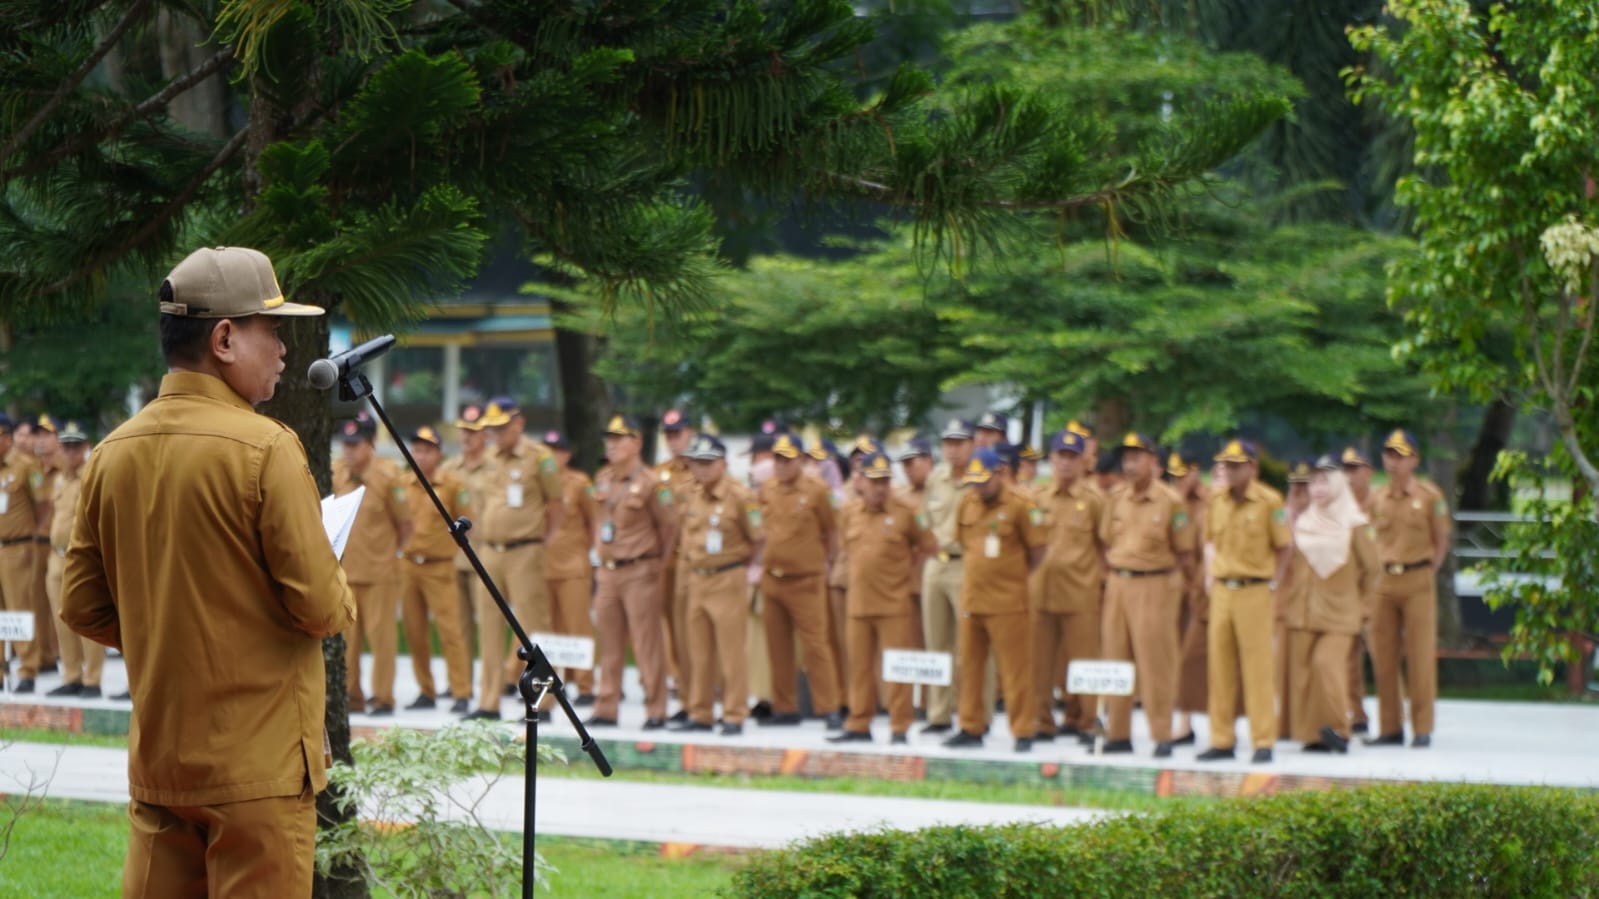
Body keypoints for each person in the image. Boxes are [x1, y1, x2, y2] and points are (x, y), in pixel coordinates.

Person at [62, 245, 356, 897]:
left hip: (163, 761)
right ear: (224, 337)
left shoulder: (111, 452)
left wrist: (169, 634)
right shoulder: (266, 448)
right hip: (260, 767)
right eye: (271, 329)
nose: (283, 347)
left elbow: (81, 605)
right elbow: (321, 607)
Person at [943, 447, 1046, 752]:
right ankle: (971, 726)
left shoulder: (1021, 506)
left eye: (984, 480)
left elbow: (1038, 551)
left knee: (1015, 671)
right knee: (970, 667)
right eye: (974, 480)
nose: (979, 486)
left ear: (1000, 474)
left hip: (1008, 601)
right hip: (973, 599)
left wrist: (1012, 577)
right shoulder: (967, 502)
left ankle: (1023, 730)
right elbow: (964, 544)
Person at [1099, 433, 1196, 758]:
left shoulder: (1171, 501)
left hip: (1155, 584)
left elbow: (1184, 552)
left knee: (1156, 662)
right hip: (1118, 582)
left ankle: (1161, 734)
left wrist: (1162, 579)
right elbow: (1104, 542)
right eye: (1127, 458)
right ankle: (1117, 733)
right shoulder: (1115, 498)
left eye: (1137, 457)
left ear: (1154, 461)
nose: (1130, 464)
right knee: (1116, 658)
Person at [828, 451, 935, 745]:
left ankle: (900, 725)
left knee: (897, 667)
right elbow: (846, 547)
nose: (879, 487)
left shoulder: (907, 511)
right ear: (861, 481)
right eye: (874, 481)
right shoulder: (849, 512)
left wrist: (907, 580)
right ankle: (859, 722)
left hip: (894, 603)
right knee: (859, 667)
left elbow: (927, 547)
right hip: (858, 602)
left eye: (885, 481)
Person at [469, 396, 565, 720]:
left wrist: (545, 540)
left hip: (525, 550)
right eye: (492, 429)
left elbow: (555, 504)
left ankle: (544, 700)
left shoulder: (540, 458)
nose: (495, 434)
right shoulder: (489, 458)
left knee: (534, 627)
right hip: (490, 551)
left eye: (501, 428)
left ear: (519, 424)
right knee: (490, 627)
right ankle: (488, 702)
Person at [1198, 438, 1291, 765]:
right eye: (1226, 465)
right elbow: (1209, 539)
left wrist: (1273, 581)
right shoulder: (1216, 500)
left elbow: (1284, 547)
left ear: (1252, 467)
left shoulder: (1269, 501)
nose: (1230, 471)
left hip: (1254, 589)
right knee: (1219, 668)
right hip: (1222, 588)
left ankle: (1263, 740)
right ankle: (1221, 738)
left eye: (1237, 465)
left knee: (1258, 669)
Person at [587, 414, 675, 729]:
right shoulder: (602, 478)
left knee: (646, 643)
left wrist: (655, 566)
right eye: (608, 438)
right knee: (608, 643)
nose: (610, 444)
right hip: (608, 572)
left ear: (636, 443)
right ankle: (606, 706)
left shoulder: (653, 483)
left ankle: (656, 709)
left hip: (640, 570)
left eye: (618, 438)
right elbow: (599, 520)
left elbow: (668, 529)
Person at [1285, 456, 1378, 754]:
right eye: (1314, 481)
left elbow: (1374, 569)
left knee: (1327, 665)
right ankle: (1315, 735)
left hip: (1341, 613)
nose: (1318, 488)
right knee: (1305, 675)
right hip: (1305, 611)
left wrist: (1364, 606)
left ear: (1338, 483)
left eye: (1325, 480)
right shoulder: (1306, 521)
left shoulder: (1355, 522)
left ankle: (1341, 728)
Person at [671, 435, 762, 735]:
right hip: (697, 578)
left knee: (731, 652)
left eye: (709, 463)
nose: (702, 470)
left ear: (723, 463)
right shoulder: (691, 494)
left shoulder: (740, 496)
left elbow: (758, 538)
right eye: (697, 463)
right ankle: (701, 712)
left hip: (727, 577)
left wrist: (751, 570)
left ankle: (734, 713)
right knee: (698, 652)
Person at [1367, 429, 1450, 748]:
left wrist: (1430, 568)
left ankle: (1422, 727)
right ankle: (1390, 727)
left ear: (1414, 460)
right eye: (1389, 455)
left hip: (1417, 580)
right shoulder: (1376, 497)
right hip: (1383, 581)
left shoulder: (1430, 496)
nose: (1393, 462)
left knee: (1420, 656)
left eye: (1400, 456)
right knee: (1383, 657)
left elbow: (1441, 539)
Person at [756, 433, 843, 729]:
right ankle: (785, 707)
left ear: (801, 461)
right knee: (777, 646)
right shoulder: (767, 489)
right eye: (777, 459)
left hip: (806, 580)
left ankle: (829, 707)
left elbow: (832, 530)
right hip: (773, 578)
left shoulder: (818, 490)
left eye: (787, 460)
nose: (781, 465)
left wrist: (830, 563)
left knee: (816, 646)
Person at [332, 412, 413, 716]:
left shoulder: (389, 477)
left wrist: (392, 555)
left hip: (380, 573)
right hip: (346, 573)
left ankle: (383, 698)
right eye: (346, 444)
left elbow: (405, 525)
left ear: (371, 444)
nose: (349, 451)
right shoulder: (336, 473)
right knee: (347, 643)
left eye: (356, 445)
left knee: (382, 641)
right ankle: (352, 698)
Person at [1032, 429, 1107, 743]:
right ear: (1051, 459)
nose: (1065, 463)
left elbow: (1104, 547)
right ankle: (1041, 721)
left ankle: (1085, 720)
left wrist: (1100, 586)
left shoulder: (1093, 501)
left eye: (1072, 457)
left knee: (1084, 662)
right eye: (1060, 456)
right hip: (1041, 592)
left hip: (1080, 593)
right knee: (1039, 662)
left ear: (1082, 462)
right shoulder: (1036, 498)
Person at [397, 426, 473, 713]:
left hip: (439, 567)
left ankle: (461, 691)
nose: (421, 455)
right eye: (417, 449)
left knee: (450, 632)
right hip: (408, 565)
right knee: (415, 632)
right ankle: (425, 690)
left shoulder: (453, 486)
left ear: (439, 454)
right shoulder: (403, 484)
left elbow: (467, 523)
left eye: (427, 450)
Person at [920, 418, 976, 735]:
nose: (952, 449)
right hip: (936, 563)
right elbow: (924, 517)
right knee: (936, 643)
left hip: (966, 563)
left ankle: (970, 714)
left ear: (971, 445)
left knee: (968, 646)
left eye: (959, 442)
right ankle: (938, 714)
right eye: (948, 443)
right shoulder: (935, 479)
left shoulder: (980, 478)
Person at [45, 423, 104, 697]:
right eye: (65, 447)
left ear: (85, 447)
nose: (69, 453)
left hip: (80, 556)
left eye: (75, 447)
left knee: (85, 616)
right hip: (56, 556)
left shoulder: (91, 474)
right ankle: (71, 675)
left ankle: (92, 679)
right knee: (61, 620)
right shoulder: (59, 479)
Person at [542, 430, 600, 705]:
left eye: (557, 450)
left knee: (578, 626)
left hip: (572, 565)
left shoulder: (579, 483)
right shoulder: (538, 482)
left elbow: (594, 520)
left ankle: (586, 685)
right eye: (547, 450)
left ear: (567, 454)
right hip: (542, 566)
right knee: (545, 630)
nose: (552, 456)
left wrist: (590, 552)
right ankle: (549, 684)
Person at [0, 412, 50, 693]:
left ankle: (27, 668)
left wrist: (32, 535)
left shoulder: (27, 466)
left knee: (20, 608)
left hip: (17, 548)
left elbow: (43, 506)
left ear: (6, 437)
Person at [438, 403, 491, 656]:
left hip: (485, 555)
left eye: (473, 431)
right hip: (455, 557)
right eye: (464, 431)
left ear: (485, 435)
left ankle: (500, 680)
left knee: (490, 623)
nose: (467, 437)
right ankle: (463, 684)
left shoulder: (495, 467)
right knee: (459, 624)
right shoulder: (449, 469)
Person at [656, 408, 696, 718]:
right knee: (671, 629)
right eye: (668, 435)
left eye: (678, 434)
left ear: (691, 433)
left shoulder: (704, 468)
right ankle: (683, 692)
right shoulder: (659, 473)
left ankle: (702, 695)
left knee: (694, 632)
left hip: (696, 562)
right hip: (668, 562)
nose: (673, 440)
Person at [1170, 451, 1210, 745]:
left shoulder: (1209, 502)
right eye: (1175, 475)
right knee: (1177, 655)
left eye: (1185, 474)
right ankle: (1183, 720)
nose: (1180, 480)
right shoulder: (1168, 501)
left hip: (1201, 590)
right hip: (1172, 588)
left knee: (1195, 655)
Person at [1277, 458, 1315, 741]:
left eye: (1306, 487)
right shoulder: (1283, 517)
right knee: (1282, 669)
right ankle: (1284, 726)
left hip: (1314, 605)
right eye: (1296, 488)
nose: (1300, 494)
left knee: (1309, 669)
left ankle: (1308, 726)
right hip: (1284, 602)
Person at [1340, 444, 1376, 734]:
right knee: (1349, 658)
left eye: (1355, 469)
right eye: (1346, 470)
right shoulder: (1338, 509)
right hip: (1349, 593)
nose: (1350, 476)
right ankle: (1357, 714)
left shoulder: (1381, 503)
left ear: (1369, 472)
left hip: (1382, 590)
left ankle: (1394, 720)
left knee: (1383, 657)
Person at [29, 415, 62, 674]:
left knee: (61, 604)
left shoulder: (67, 467)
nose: (41, 440)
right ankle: (44, 657)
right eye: (37, 435)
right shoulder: (33, 468)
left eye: (46, 434)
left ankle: (72, 661)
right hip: (34, 543)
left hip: (58, 546)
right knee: (37, 602)